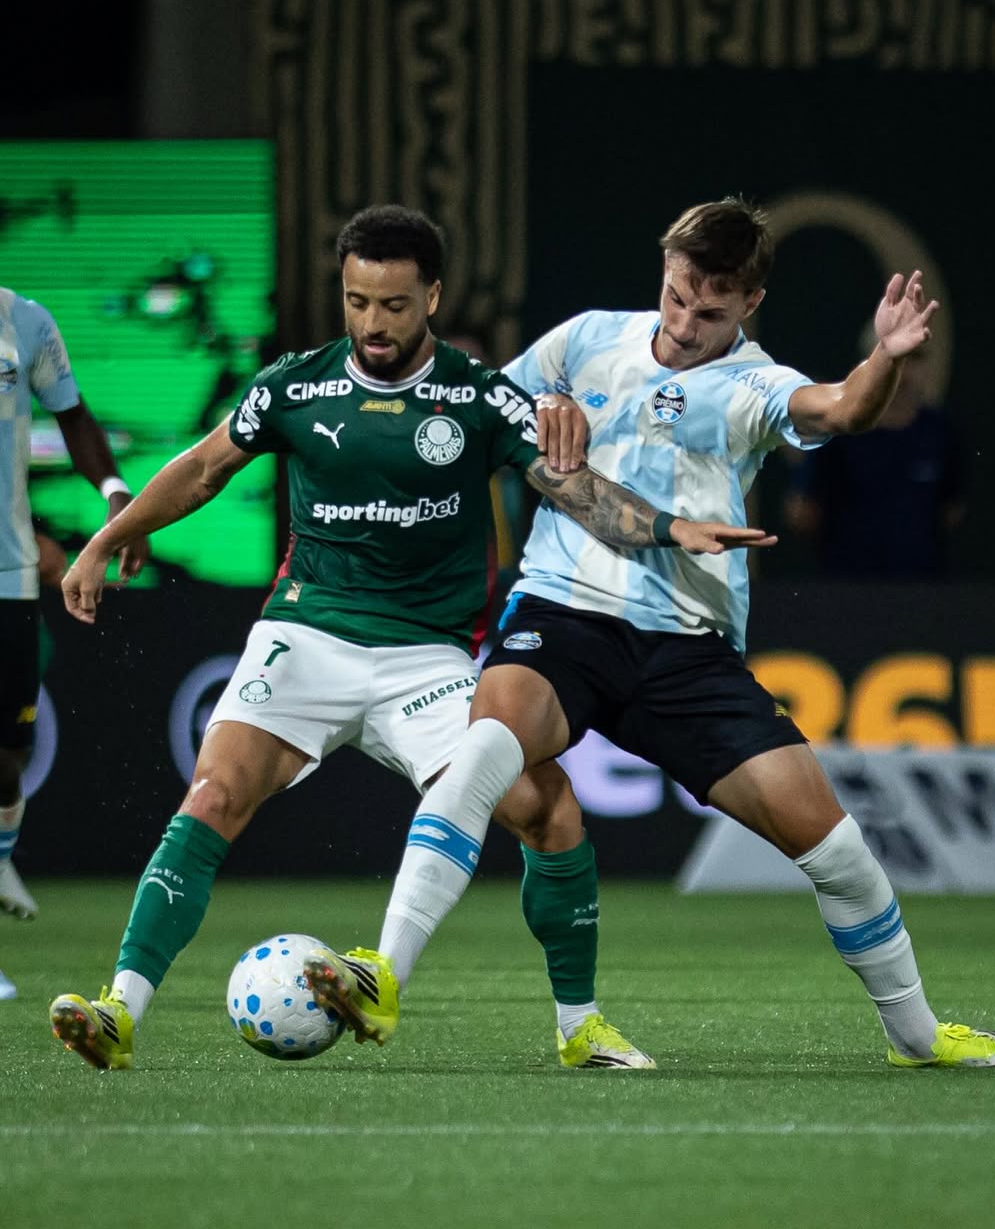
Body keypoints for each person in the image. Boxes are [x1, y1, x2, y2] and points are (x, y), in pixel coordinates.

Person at [318, 198, 995, 1071]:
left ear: (750, 303)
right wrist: (533, 411)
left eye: (710, 311)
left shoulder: (755, 385)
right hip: (562, 615)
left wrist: (884, 358)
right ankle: (383, 975)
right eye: (675, 297)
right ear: (663, 273)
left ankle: (917, 1036)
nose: (685, 324)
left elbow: (843, 410)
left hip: (687, 651)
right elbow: (479, 411)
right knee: (485, 751)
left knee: (838, 851)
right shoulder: (585, 339)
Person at [48, 204, 769, 1069]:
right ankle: (119, 1013)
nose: (373, 324)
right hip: (306, 635)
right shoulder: (296, 386)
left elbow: (575, 490)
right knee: (212, 796)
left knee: (550, 810)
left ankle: (579, 1027)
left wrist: (669, 528)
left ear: (431, 296)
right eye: (357, 302)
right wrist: (106, 538)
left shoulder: (479, 396)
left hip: (428, 658)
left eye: (392, 305)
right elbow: (204, 468)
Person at [0, 288, 146, 1001]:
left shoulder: (24, 321)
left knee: (6, 762)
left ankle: (0, 851)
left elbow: (75, 416)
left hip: (8, 576)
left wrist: (117, 496)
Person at [783, 335, 966, 578]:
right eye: (894, 358)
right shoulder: (839, 431)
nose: (904, 372)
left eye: (915, 358)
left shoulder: (941, 432)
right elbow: (802, 513)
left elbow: (952, 511)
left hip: (923, 588)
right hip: (849, 588)